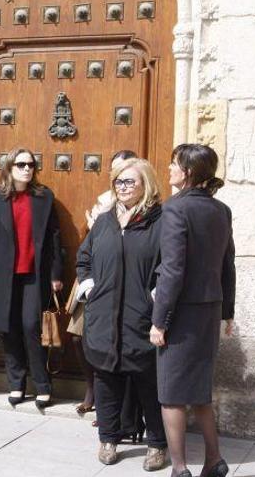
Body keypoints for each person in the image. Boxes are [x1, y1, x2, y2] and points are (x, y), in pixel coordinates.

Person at [150, 144, 235, 477]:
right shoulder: (221, 210)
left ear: (187, 171)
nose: (169, 168)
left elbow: (172, 270)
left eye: (174, 164)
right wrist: (227, 311)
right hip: (209, 311)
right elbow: (228, 263)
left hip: (181, 314)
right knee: (200, 392)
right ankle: (214, 460)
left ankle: (180, 468)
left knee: (171, 394)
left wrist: (160, 321)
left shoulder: (175, 210)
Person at [76, 158, 167, 470]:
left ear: (147, 184)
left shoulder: (160, 220)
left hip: (141, 318)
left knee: (148, 383)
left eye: (130, 181)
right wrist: (90, 289)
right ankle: (109, 438)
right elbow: (84, 257)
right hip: (104, 316)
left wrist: (153, 299)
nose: (123, 187)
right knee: (106, 380)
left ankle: (157, 444)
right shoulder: (104, 221)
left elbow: (168, 267)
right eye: (118, 182)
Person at [0, 147, 63, 409]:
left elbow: (55, 238)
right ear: (10, 168)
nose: (27, 169)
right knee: (8, 327)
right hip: (4, 275)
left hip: (35, 275)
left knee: (30, 326)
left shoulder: (44, 197)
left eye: (31, 165)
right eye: (21, 164)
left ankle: (43, 385)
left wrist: (56, 274)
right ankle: (16, 384)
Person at [69, 150, 138, 420]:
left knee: (118, 344)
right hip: (94, 281)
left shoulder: (141, 205)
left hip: (122, 285)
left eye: (125, 172)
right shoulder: (103, 202)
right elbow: (89, 246)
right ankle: (92, 389)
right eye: (115, 172)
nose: (120, 178)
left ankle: (114, 407)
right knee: (79, 336)